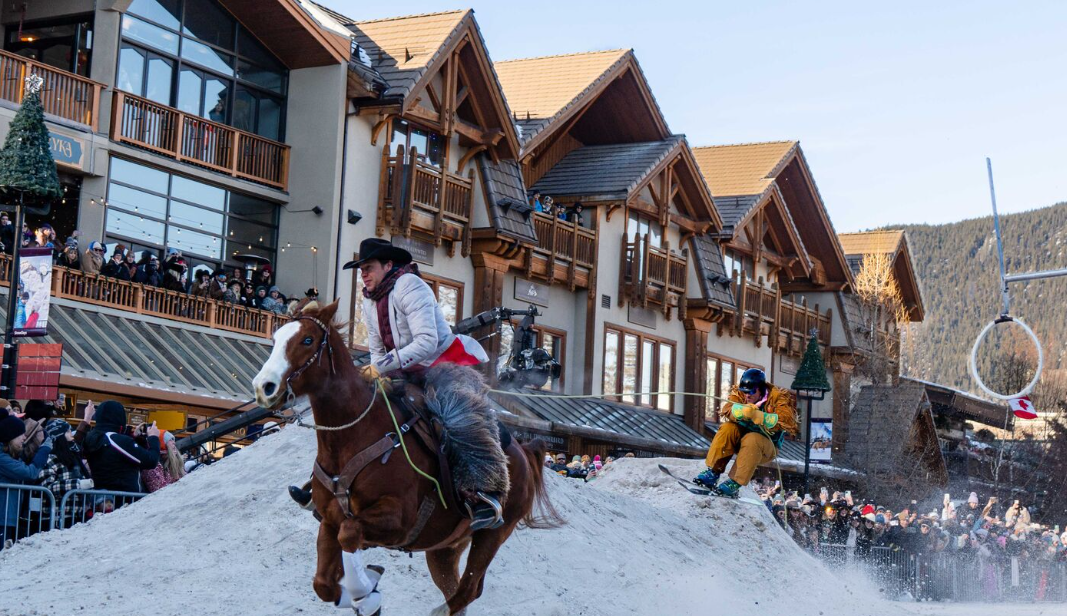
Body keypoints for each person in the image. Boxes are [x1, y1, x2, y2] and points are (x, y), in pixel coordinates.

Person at [291, 238, 503, 530]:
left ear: (388, 265)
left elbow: (427, 342)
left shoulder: (411, 286)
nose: (364, 275)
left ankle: (485, 493)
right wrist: (378, 371)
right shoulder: (369, 299)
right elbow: (377, 349)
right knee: (354, 407)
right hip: (403, 369)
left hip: (443, 365)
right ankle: (326, 483)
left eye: (369, 268)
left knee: (459, 415)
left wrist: (380, 367)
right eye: (361, 270)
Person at [693, 368, 798, 497]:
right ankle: (713, 472)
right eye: (745, 391)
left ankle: (734, 483)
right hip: (740, 441)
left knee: (752, 438)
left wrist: (761, 416)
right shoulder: (740, 394)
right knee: (727, 428)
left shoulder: (777, 398)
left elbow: (787, 421)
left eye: (752, 391)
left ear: (761, 389)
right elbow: (727, 410)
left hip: (765, 446)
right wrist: (740, 411)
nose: (747, 395)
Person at [0, 413, 54, 547]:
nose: (24, 438)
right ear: (10, 436)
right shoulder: (2, 458)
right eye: (21, 434)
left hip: (8, 517)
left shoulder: (10, 455)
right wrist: (44, 449)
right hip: (2, 517)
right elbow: (30, 473)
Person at [83, 401, 160, 493]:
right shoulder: (116, 440)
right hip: (126, 496)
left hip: (102, 495)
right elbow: (151, 460)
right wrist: (153, 437)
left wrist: (135, 438)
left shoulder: (91, 438)